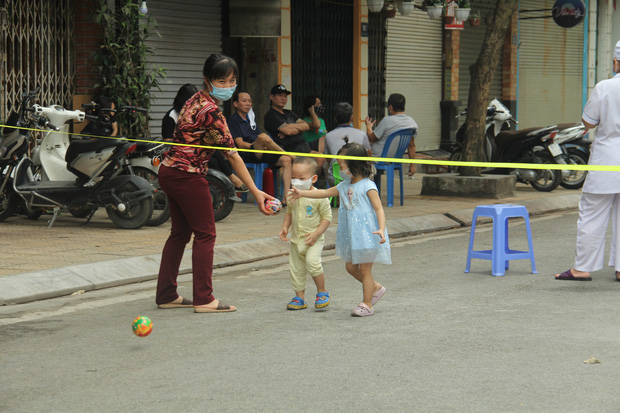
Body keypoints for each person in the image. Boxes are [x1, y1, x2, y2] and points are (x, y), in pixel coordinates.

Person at [155, 54, 273, 313]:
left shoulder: (195, 100)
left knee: (180, 234)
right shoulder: (211, 111)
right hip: (187, 175)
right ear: (208, 81)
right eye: (222, 80)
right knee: (206, 234)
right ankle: (204, 298)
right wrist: (255, 191)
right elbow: (233, 155)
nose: (228, 85)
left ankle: (166, 294)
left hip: (170, 170)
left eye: (232, 80)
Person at [288, 143, 390, 317]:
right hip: (352, 235)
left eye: (341, 166)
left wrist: (381, 228)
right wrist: (302, 193)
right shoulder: (344, 185)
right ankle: (376, 287)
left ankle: (367, 304)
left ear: (354, 165)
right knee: (350, 268)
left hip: (368, 234)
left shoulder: (368, 186)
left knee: (365, 270)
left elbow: (379, 209)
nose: (339, 169)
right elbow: (323, 193)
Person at [555, 41, 620, 282]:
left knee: (593, 214)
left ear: (616, 63)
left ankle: (582, 268)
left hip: (606, 160)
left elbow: (589, 122)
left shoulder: (604, 87)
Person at [162, 83, 249, 200]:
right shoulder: (173, 116)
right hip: (184, 161)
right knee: (214, 161)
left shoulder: (202, 111)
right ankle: (229, 180)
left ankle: (228, 180)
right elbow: (168, 141)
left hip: (196, 158)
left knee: (216, 151)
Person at [278, 157, 332, 310]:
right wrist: (285, 227)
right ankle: (299, 298)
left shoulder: (320, 196)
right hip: (296, 240)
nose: (296, 182)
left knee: (312, 263)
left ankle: (322, 292)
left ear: (313, 178)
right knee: (296, 269)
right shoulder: (290, 195)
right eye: (293, 177)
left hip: (313, 239)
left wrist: (316, 234)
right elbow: (289, 211)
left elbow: (327, 218)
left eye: (301, 178)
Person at [228, 90, 294, 193]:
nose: (248, 104)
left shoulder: (251, 119)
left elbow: (258, 137)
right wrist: (257, 144)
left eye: (249, 101)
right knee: (263, 137)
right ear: (236, 104)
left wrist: (263, 145)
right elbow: (240, 144)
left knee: (286, 160)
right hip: (247, 152)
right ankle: (289, 154)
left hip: (259, 150)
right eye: (244, 101)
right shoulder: (233, 119)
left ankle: (286, 197)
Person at [364, 93, 418, 177]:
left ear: (390, 107)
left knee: (361, 153)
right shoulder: (412, 122)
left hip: (378, 159)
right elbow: (411, 146)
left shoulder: (387, 121)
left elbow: (371, 138)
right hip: (396, 160)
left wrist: (368, 127)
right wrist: (412, 165)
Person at [324, 102, 371, 186]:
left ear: (335, 119)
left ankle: (333, 194)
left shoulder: (328, 136)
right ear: (352, 117)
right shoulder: (362, 134)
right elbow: (369, 156)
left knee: (326, 166)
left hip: (337, 178)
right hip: (359, 176)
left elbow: (328, 159)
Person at [263, 84, 312, 154]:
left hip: (303, 144)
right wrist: (299, 129)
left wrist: (289, 126)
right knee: (319, 157)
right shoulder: (271, 115)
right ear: (272, 97)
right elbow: (288, 131)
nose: (283, 98)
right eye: (280, 96)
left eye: (285, 96)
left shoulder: (289, 112)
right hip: (290, 148)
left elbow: (306, 126)